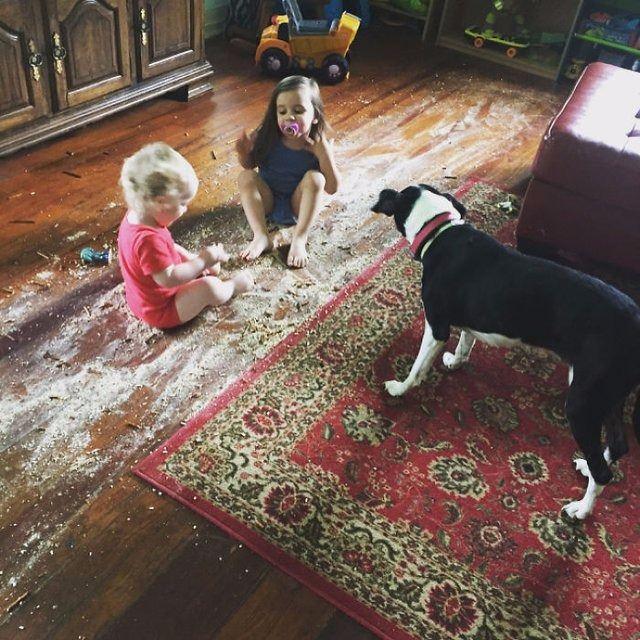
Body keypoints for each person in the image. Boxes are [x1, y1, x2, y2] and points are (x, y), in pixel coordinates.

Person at [117, 142, 254, 329]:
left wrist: (194, 260)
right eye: (182, 203)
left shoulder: (137, 216)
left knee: (197, 264)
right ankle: (233, 287)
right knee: (210, 287)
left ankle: (201, 269)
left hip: (141, 297)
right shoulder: (147, 240)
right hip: (161, 309)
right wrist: (202, 261)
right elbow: (169, 278)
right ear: (160, 202)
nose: (185, 209)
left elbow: (167, 250)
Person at [236, 75, 340, 268]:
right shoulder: (266, 135)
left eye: (298, 111)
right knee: (245, 177)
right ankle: (261, 236)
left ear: (315, 116)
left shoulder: (317, 144)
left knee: (316, 179)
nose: (289, 117)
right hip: (267, 201)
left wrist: (324, 154)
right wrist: (244, 153)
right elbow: (249, 166)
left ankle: (299, 238)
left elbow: (332, 188)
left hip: (298, 205)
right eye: (282, 111)